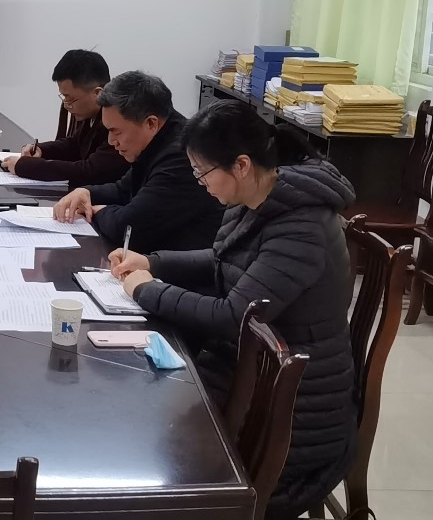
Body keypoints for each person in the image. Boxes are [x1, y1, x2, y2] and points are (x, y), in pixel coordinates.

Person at [108, 99, 357, 520]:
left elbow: (234, 316)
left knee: (144, 433)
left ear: (241, 165)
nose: (200, 183)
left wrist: (147, 291)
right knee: (134, 402)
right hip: (246, 373)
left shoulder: (303, 226)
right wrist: (152, 262)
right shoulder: (258, 195)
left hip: (293, 414)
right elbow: (223, 259)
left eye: (202, 172)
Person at [52, 71, 222, 254]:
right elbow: (124, 190)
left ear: (151, 123)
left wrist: (99, 211)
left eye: (116, 132)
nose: (111, 141)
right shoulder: (158, 140)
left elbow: (127, 229)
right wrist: (86, 192)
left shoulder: (182, 157)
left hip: (184, 266)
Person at [7, 49, 129, 185]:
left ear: (97, 93)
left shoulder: (118, 122)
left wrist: (25, 166)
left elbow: (91, 172)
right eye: (64, 97)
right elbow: (74, 145)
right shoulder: (91, 114)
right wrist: (41, 150)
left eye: (70, 98)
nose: (66, 105)